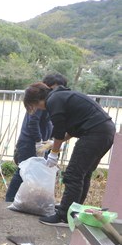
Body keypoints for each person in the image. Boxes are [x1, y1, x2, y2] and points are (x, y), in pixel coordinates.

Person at [23, 82, 116, 227]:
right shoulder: (60, 96)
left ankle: (63, 216)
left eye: (34, 106)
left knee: (73, 175)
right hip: (105, 131)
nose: (38, 110)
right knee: (83, 174)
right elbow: (71, 130)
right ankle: (73, 210)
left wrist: (54, 153)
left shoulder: (53, 101)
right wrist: (53, 144)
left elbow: (59, 130)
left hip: (95, 133)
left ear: (36, 101)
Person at [5, 74, 67, 202]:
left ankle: (26, 200)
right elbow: (33, 122)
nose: (55, 92)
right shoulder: (40, 101)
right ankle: (10, 199)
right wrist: (38, 141)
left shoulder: (50, 101)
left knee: (33, 172)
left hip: (41, 143)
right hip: (30, 142)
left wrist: (50, 140)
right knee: (23, 171)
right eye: (53, 88)